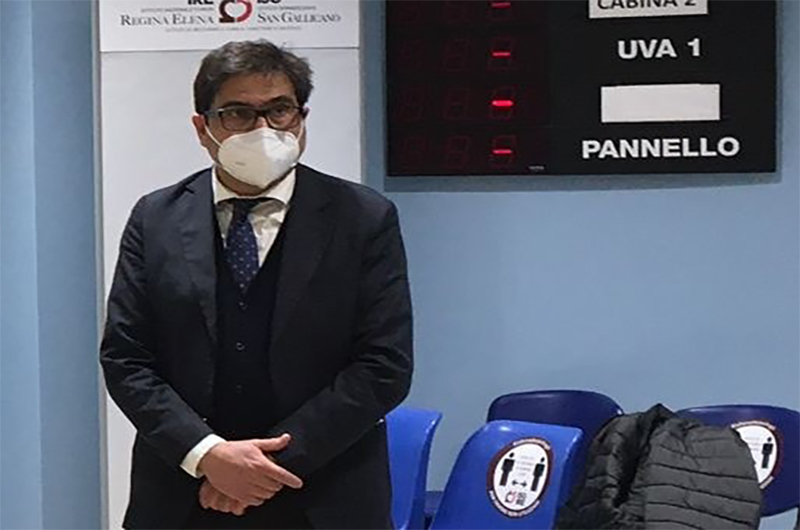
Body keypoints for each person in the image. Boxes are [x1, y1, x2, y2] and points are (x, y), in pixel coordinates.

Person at [100, 39, 413, 530]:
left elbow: (383, 365)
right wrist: (208, 455)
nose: (263, 129)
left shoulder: (363, 218)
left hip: (325, 495)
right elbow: (126, 358)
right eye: (238, 114)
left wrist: (261, 469)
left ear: (302, 118)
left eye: (280, 110)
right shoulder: (155, 218)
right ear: (203, 128)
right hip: (182, 496)